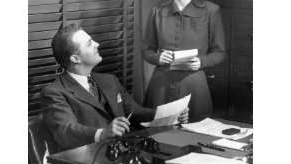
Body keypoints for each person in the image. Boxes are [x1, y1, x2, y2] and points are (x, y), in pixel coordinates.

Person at [41, 23, 188, 152]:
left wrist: (171, 114)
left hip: (123, 154)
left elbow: (134, 112)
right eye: (89, 43)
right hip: (86, 163)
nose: (97, 44)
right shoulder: (54, 92)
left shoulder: (109, 81)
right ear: (75, 59)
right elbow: (66, 132)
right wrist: (102, 133)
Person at [143, 0, 225, 122]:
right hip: (160, 87)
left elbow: (219, 53)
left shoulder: (211, 11)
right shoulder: (157, 10)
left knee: (195, 137)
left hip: (194, 86)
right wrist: (159, 57)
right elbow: (146, 50)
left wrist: (201, 62)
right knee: (157, 138)